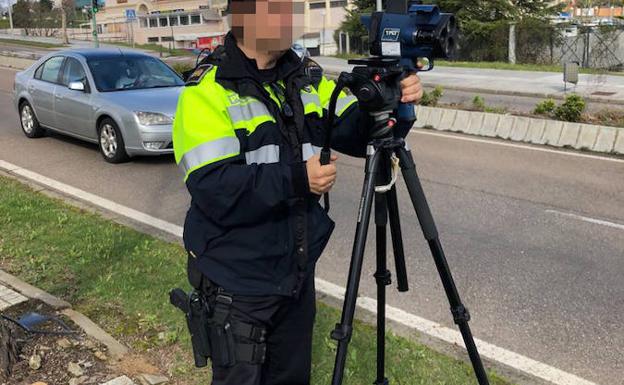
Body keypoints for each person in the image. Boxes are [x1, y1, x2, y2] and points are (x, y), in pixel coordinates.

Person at [172, 0, 423, 384]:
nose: (290, 20)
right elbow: (213, 189)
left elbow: (354, 133)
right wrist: (297, 180)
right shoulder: (205, 92)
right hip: (239, 283)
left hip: (295, 274)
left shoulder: (305, 77)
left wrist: (393, 104)